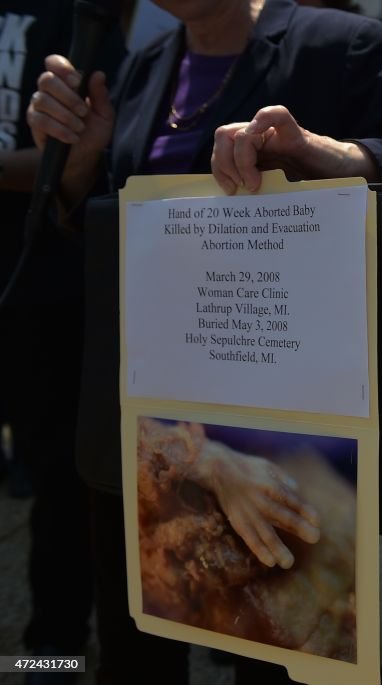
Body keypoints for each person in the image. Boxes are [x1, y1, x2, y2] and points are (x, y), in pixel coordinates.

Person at [27, 1, 382, 682]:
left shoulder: (339, 45)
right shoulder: (149, 66)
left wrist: (327, 154)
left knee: (273, 651)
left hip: (280, 430)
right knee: (135, 646)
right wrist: (77, 168)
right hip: (154, 427)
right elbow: (114, 229)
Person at [1, 3, 123, 679]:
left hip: (47, 280)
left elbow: (83, 154)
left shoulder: (81, 16)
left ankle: (54, 651)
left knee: (57, 480)